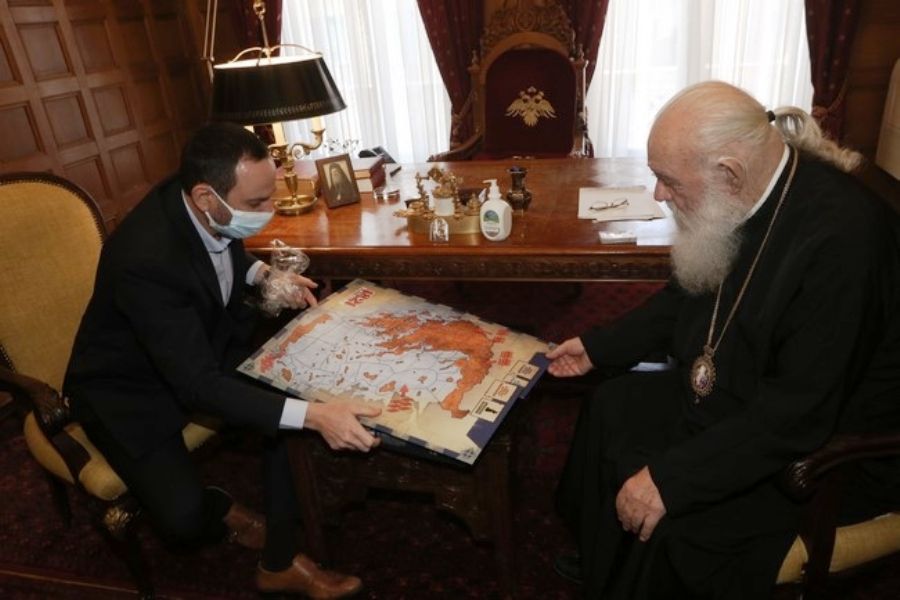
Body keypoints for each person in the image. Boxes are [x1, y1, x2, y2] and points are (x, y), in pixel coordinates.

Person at [546, 81, 900, 599]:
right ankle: (609, 559)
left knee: (678, 524)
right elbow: (685, 295)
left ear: (728, 173)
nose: (659, 195)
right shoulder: (745, 195)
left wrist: (672, 480)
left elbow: (799, 412)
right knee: (611, 404)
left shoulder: (845, 242)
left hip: (824, 454)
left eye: (668, 181)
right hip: (747, 384)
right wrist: (600, 347)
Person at [64, 122, 381, 598]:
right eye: (257, 203)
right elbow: (197, 384)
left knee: (284, 405)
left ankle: (279, 562)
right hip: (126, 390)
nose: (268, 213)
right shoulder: (145, 259)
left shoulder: (199, 199)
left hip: (196, 346)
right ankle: (220, 504)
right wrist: (317, 416)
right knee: (184, 522)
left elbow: (219, 248)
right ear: (206, 196)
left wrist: (261, 274)